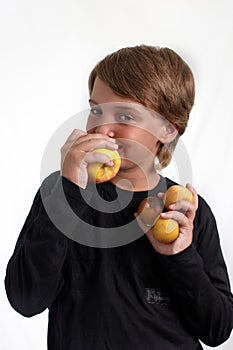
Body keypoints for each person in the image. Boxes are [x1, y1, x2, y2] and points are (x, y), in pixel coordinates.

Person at [5, 45, 233, 350]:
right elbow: (25, 298)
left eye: (125, 115)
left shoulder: (185, 209)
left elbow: (217, 329)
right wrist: (68, 190)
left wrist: (180, 256)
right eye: (96, 110)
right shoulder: (60, 194)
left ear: (167, 129)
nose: (102, 128)